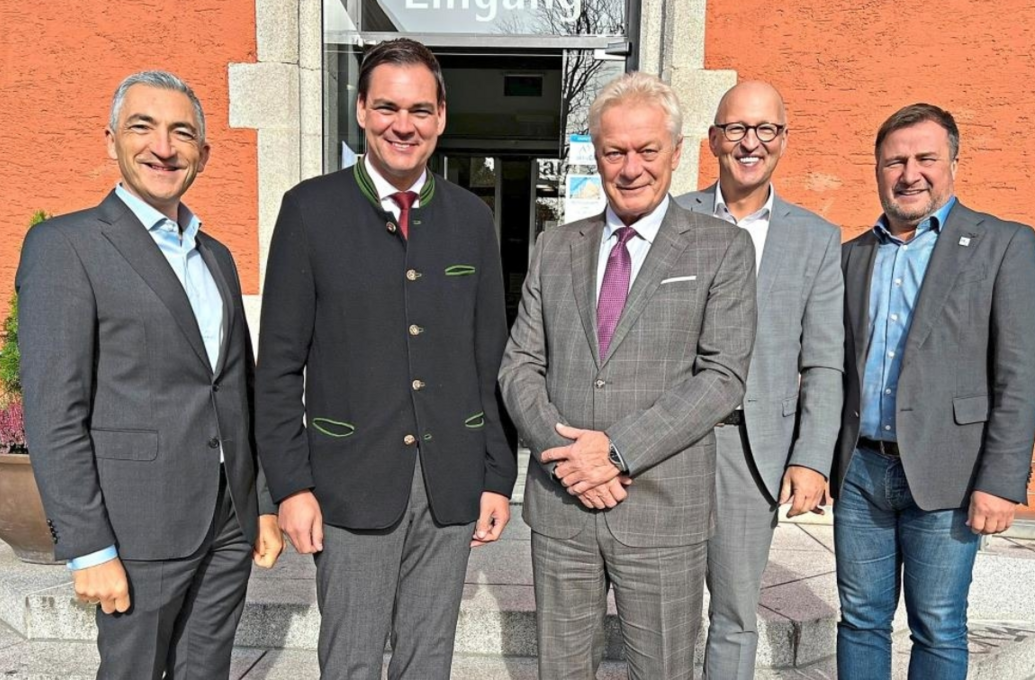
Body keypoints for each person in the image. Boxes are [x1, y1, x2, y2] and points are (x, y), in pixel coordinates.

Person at [254, 38, 516, 680]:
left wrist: (496, 475)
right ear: (362, 111)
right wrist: (289, 486)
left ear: (441, 116)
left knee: (428, 663)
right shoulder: (309, 210)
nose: (405, 125)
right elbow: (278, 367)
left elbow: (490, 358)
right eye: (388, 108)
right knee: (350, 661)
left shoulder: (471, 218)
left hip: (450, 481)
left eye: (420, 109)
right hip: (350, 483)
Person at [16, 70, 282, 679]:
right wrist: (88, 545)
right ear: (111, 139)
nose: (163, 147)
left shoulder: (217, 256)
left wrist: (261, 502)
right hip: (136, 526)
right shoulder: (65, 246)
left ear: (203, 155)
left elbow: (237, 391)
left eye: (181, 133)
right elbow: (55, 412)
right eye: (143, 127)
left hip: (227, 522)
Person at [498, 71, 757, 680]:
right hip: (562, 506)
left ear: (676, 152)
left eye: (647, 150)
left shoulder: (721, 248)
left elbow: (721, 376)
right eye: (615, 152)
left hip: (662, 508)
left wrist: (615, 453)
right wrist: (569, 458)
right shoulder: (555, 247)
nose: (631, 167)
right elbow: (520, 365)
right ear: (596, 154)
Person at [835, 102, 1035, 679]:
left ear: (953, 163)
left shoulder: (1004, 244)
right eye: (894, 161)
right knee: (860, 619)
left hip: (952, 473)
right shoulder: (851, 255)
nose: (909, 174)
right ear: (877, 169)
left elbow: (1019, 374)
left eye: (925, 158)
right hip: (860, 473)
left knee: (939, 623)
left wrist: (1001, 481)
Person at [675, 81, 844, 680]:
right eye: (737, 129)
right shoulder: (672, 218)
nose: (751, 142)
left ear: (783, 139)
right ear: (714, 139)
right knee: (661, 610)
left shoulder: (816, 238)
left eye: (765, 129)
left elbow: (823, 361)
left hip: (753, 452)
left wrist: (811, 458)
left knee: (734, 614)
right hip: (670, 445)